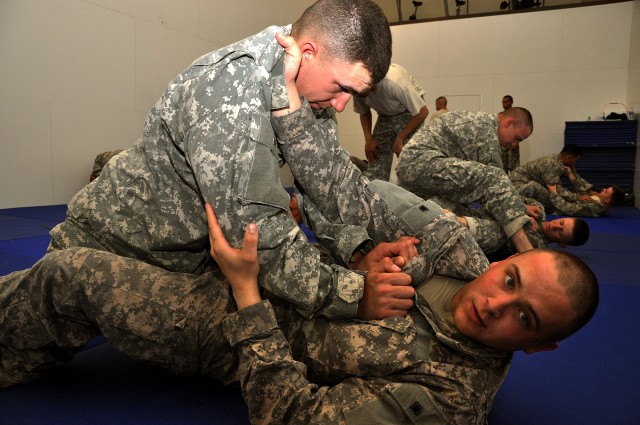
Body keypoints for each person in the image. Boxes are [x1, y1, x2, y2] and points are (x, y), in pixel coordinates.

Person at [0, 195, 599, 424]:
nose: (495, 303)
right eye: (511, 279)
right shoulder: (459, 267)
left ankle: (13, 359)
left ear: (538, 346)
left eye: (524, 318)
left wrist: (247, 295)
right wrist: (360, 263)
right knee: (125, 226)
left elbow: (292, 415)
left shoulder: (446, 401)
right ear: (501, 261)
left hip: (234, 329)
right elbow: (365, 217)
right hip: (276, 284)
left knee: (70, 274)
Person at [28, 0, 403, 321]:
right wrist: (352, 295)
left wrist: (356, 250)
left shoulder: (308, 86)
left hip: (183, 257)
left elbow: (320, 178)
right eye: (342, 89)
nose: (341, 104)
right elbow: (256, 232)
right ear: (307, 52)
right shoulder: (233, 88)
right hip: (110, 246)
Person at [395, 108, 536, 253]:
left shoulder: (482, 124)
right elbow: (497, 182)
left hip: (419, 173)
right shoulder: (485, 129)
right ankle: (526, 251)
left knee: (446, 210)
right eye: (518, 138)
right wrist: (520, 209)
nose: (515, 144)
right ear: (509, 123)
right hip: (420, 164)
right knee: (495, 177)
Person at [353, 63, 429, 181]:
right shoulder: (356, 88)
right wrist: (368, 139)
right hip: (385, 116)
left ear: (371, 82)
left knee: (410, 162)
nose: (360, 95)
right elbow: (364, 113)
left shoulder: (394, 81)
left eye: (362, 91)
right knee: (376, 159)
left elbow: (422, 112)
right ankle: (374, 195)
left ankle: (413, 195)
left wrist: (400, 138)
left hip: (410, 113)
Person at [455, 199, 590, 256]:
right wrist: (523, 208)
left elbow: (507, 232)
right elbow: (493, 202)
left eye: (560, 233)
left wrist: (520, 217)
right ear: (563, 218)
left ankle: (454, 222)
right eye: (561, 223)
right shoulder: (538, 209)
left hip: (471, 239)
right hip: (471, 212)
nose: (555, 227)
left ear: (561, 244)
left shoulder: (536, 247)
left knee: (502, 231)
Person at [510, 144, 593, 211]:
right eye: (575, 160)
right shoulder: (552, 164)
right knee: (552, 199)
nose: (574, 162)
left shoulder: (566, 163)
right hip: (517, 185)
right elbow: (556, 190)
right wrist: (578, 197)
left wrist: (590, 191)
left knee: (563, 197)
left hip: (528, 184)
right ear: (569, 157)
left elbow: (577, 179)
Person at [546, 184, 625, 217]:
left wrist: (554, 192)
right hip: (558, 199)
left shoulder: (594, 208)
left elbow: (567, 208)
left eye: (606, 191)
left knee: (534, 185)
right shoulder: (599, 200)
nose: (603, 189)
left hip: (554, 206)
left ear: (607, 200)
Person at [499, 95, 519, 173]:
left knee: (514, 169)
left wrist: (516, 141)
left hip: (513, 144)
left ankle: (515, 184)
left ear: (511, 102)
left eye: (506, 102)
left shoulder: (517, 115)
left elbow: (520, 130)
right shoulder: (500, 116)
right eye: (503, 102)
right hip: (503, 145)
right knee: (503, 168)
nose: (504, 104)